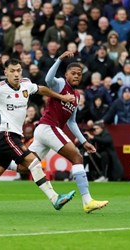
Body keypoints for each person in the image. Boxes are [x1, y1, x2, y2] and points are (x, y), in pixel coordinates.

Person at [0, 58, 76, 210]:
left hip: (13, 136)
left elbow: (41, 89)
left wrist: (61, 97)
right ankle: (55, 198)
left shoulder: (25, 84)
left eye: (18, 70)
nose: (16, 74)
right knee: (33, 163)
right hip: (7, 135)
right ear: (5, 73)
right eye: (12, 71)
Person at [27, 51, 109, 214]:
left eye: (79, 74)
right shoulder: (60, 84)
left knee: (24, 165)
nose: (77, 76)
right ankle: (87, 201)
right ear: (66, 75)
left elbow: (71, 122)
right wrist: (58, 60)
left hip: (45, 131)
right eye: (73, 73)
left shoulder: (77, 96)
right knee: (77, 157)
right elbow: (48, 80)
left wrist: (84, 141)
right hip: (48, 127)